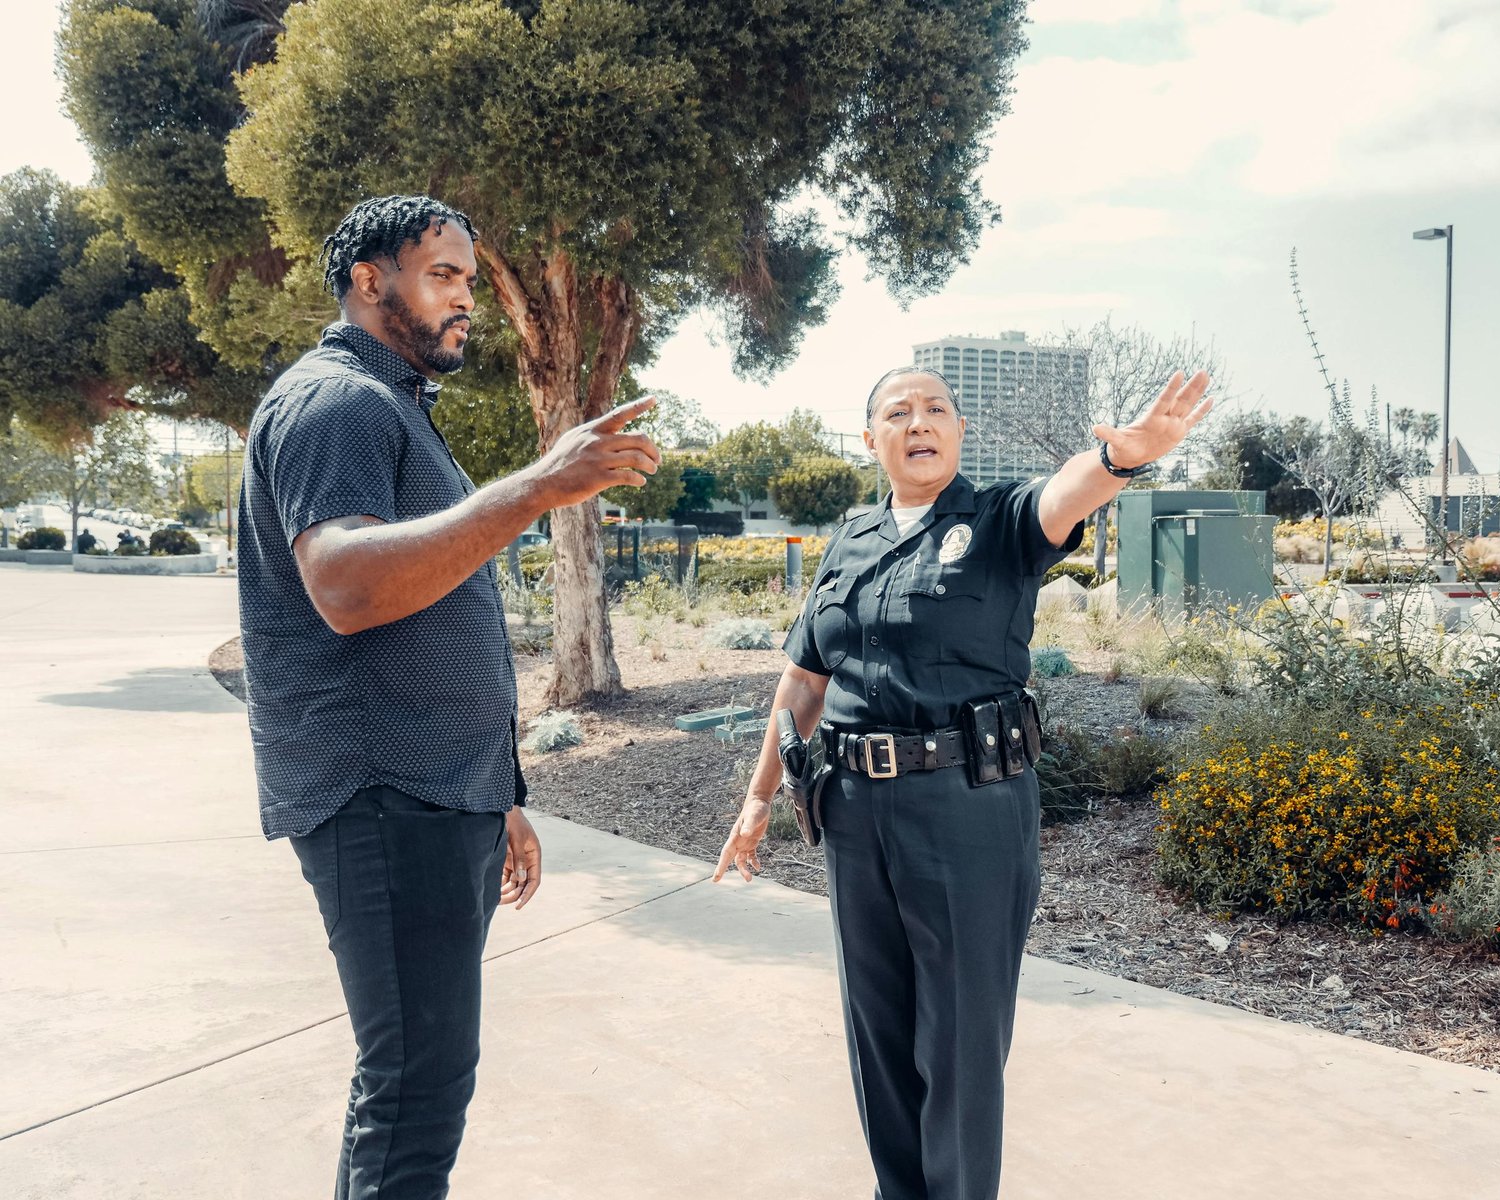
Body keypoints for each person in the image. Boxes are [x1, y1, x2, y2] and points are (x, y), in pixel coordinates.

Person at [237, 194, 660, 1199]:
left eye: (469, 277)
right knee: (414, 1095)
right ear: (369, 280)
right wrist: (533, 489)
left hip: (435, 797)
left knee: (420, 1086)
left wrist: (495, 792)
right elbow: (344, 586)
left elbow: (424, 610)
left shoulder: (393, 410)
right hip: (383, 799)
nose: (467, 296)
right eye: (444, 275)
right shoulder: (336, 402)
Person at [714, 364, 1211, 1200]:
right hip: (852, 807)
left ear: (959, 431)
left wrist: (1120, 460)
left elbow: (1065, 497)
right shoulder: (850, 539)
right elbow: (802, 680)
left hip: (966, 807)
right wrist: (759, 798)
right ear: (871, 437)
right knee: (878, 1030)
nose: (920, 422)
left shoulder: (999, 519)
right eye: (898, 412)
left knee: (958, 1043)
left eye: (937, 409)